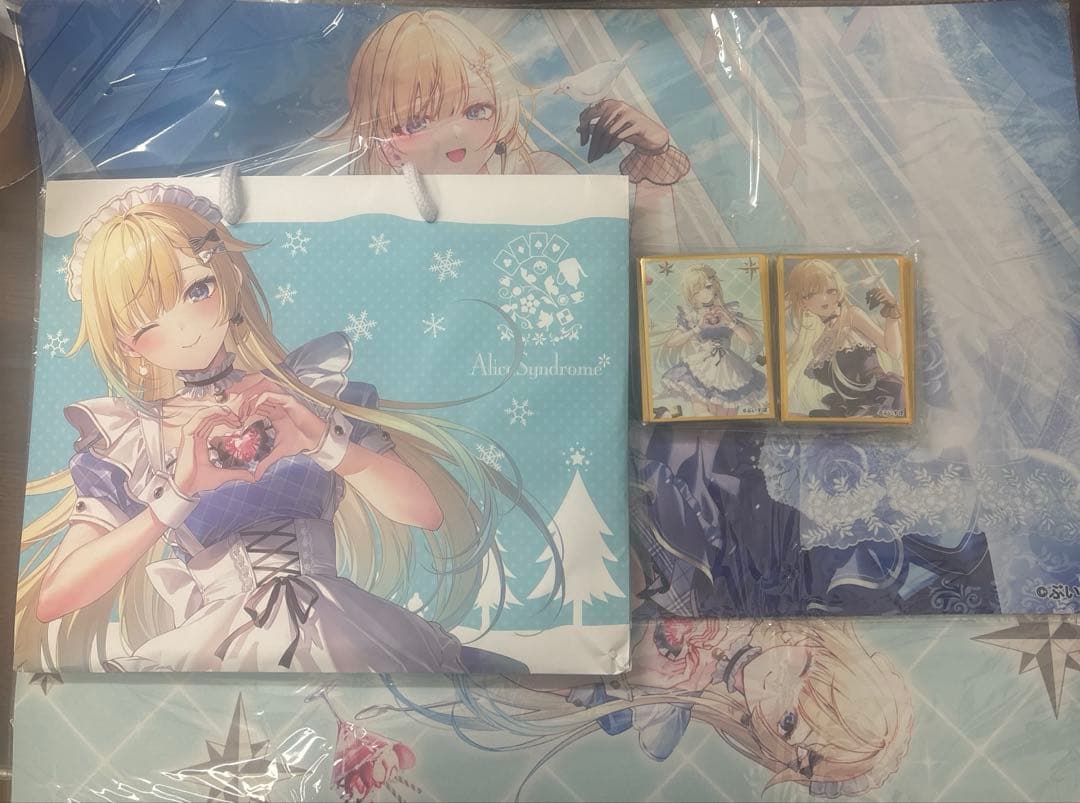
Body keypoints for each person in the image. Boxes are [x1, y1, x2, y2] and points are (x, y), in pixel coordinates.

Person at [15, 184, 557, 673]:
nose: (184, 325)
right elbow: (56, 596)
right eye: (147, 319)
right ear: (126, 343)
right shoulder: (135, 439)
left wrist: (324, 443)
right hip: (220, 636)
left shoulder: (308, 392)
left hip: (340, 620)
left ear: (228, 279)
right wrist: (176, 495)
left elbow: (424, 512)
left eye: (197, 290)